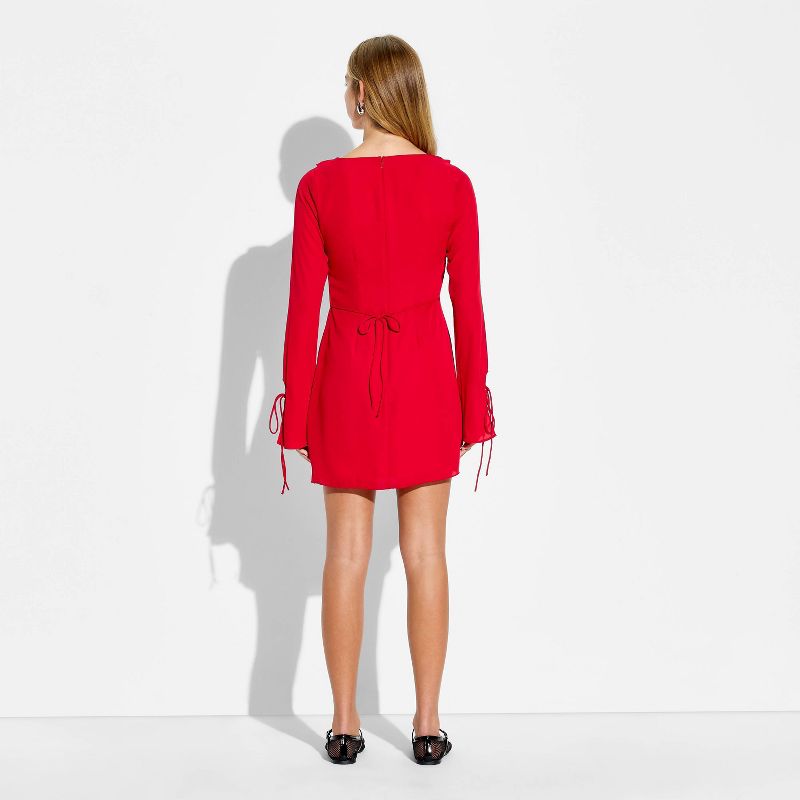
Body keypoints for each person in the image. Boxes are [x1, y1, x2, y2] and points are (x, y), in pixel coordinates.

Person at [269, 34, 496, 765]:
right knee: (426, 553)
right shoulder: (452, 185)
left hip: (345, 378)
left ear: (363, 92)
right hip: (427, 377)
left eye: (347, 85)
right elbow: (469, 307)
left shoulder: (319, 186)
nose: (345, 96)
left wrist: (296, 418)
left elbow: (302, 312)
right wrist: (474, 407)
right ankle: (428, 726)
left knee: (345, 555)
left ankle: (344, 725)